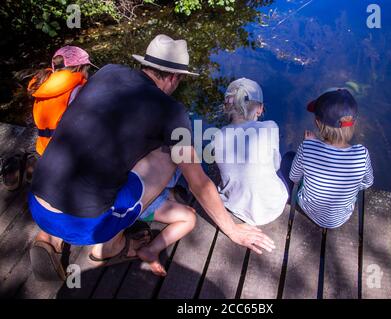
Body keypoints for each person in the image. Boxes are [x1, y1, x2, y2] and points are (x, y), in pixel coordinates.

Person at [28, 35, 274, 281]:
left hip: (37, 200)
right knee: (169, 155)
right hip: (86, 226)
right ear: (174, 77)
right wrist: (233, 231)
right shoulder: (171, 111)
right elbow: (198, 183)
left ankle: (47, 238)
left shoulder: (107, 72)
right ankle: (112, 245)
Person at [289, 89, 374, 229]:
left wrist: (312, 144)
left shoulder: (307, 147)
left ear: (317, 123)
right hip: (341, 217)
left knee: (289, 158)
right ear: (354, 123)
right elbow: (367, 183)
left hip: (308, 210)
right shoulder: (361, 155)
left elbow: (294, 177)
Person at [212, 78, 288, 225]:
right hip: (272, 208)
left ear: (226, 108)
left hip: (236, 208)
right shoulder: (270, 127)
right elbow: (276, 165)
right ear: (260, 109)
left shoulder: (217, 136)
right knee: (286, 163)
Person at [28, 46, 95, 156]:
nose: (87, 74)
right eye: (87, 69)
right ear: (79, 67)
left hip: (44, 150)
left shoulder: (41, 86)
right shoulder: (77, 90)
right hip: (67, 153)